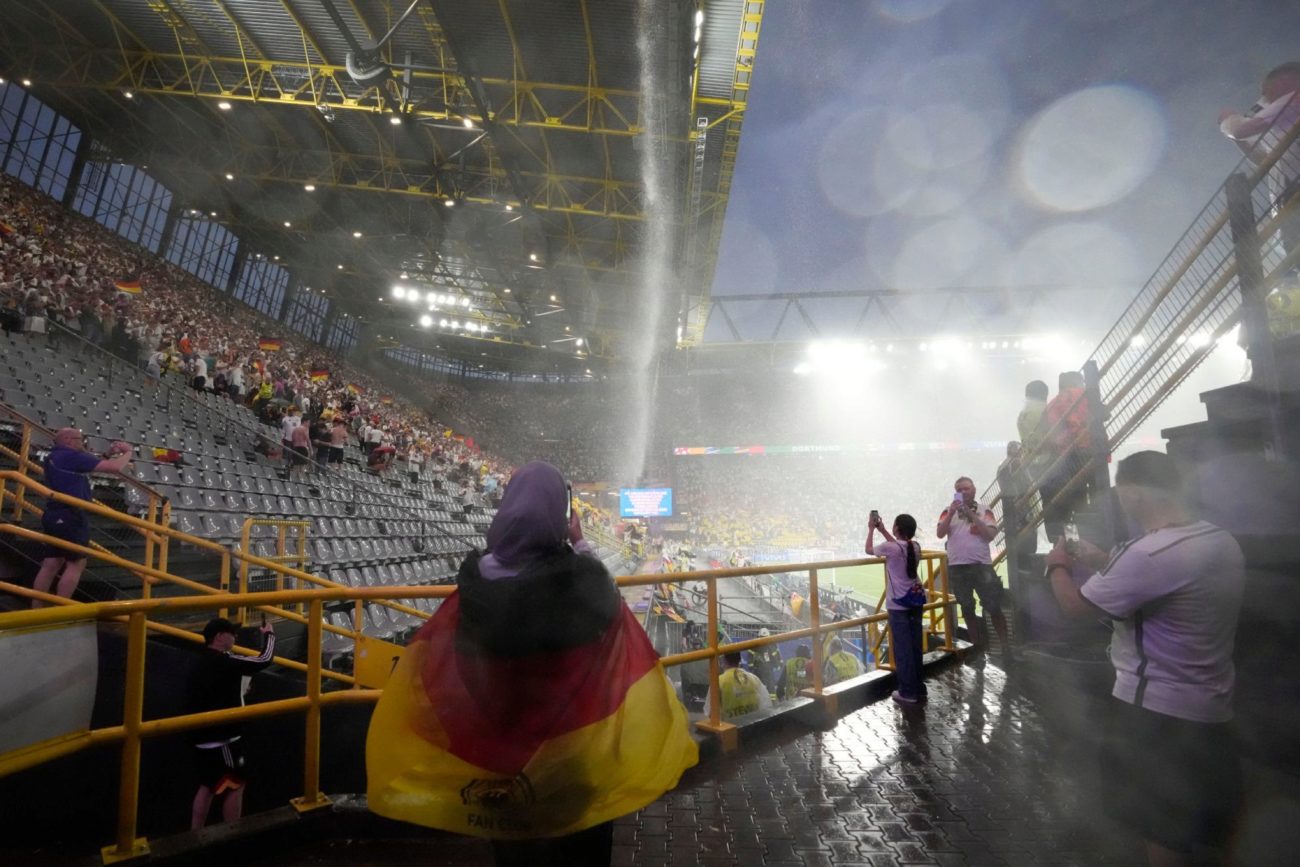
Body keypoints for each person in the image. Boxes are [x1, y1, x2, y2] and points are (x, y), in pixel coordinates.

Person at [367, 461, 696, 865]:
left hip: (498, 753)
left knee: (512, 845)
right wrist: (580, 544)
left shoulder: (474, 583)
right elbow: (609, 607)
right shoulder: (577, 577)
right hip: (571, 753)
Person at [1046, 451, 1245, 867]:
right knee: (1214, 829)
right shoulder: (1220, 540)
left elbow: (1075, 607)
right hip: (1212, 709)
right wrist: (1105, 560)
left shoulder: (1146, 555)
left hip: (1157, 717)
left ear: (1134, 493)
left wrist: (1056, 567)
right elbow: (1165, 578)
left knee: (1163, 834)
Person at [188, 617, 276, 830]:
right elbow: (264, 659)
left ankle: (194, 834)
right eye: (231, 633)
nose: (235, 637)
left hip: (203, 737)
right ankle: (233, 832)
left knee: (207, 786)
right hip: (222, 738)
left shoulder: (202, 661)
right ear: (219, 636)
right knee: (236, 784)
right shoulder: (224, 662)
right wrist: (270, 635)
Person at [31, 429, 133, 606]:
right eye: (80, 439)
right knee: (76, 563)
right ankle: (62, 610)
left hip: (53, 513)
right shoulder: (70, 457)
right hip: (71, 514)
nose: (83, 443)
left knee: (51, 563)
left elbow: (88, 462)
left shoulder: (56, 456)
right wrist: (128, 452)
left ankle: (36, 609)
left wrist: (107, 454)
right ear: (69, 440)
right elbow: (114, 468)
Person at [1220, 62, 1300, 275]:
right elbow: (1265, 160)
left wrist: (1227, 120)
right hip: (1287, 198)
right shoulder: (1285, 117)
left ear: (1285, 81)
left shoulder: (1291, 100)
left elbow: (1240, 129)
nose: (1263, 97)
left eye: (1266, 89)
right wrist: (1239, 139)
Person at [936, 476, 1009, 659]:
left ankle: (1006, 647)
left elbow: (990, 535)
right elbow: (940, 533)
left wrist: (972, 516)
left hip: (981, 566)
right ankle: (977, 647)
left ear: (974, 489)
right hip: (958, 567)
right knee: (967, 608)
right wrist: (952, 512)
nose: (962, 492)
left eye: (966, 488)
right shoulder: (947, 510)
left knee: (993, 607)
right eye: (958, 489)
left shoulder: (985, 510)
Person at [867, 512, 926, 706]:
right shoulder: (915, 546)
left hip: (898, 605)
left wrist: (871, 528)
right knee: (916, 646)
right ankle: (919, 688)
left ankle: (908, 692)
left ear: (897, 528)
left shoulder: (890, 548)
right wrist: (883, 529)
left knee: (903, 650)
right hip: (916, 602)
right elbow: (900, 547)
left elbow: (869, 549)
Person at [1040, 371, 1092, 543]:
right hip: (1090, 451)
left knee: (1069, 507)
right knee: (1087, 502)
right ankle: (1086, 540)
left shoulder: (1054, 402)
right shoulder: (1087, 395)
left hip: (1068, 456)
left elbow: (1055, 430)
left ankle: (1067, 544)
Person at [704, 651, 772, 722]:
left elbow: (710, 713)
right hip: (753, 727)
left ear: (723, 661)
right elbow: (766, 706)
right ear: (739, 659)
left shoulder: (719, 682)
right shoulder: (754, 679)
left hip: (731, 729)